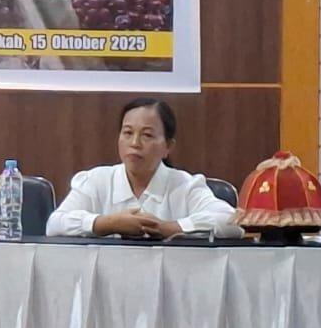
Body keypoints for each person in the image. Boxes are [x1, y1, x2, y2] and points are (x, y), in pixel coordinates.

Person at [46, 97, 235, 239]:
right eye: (127, 133)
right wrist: (108, 223)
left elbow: (231, 221)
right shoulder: (96, 180)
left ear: (168, 147)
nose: (135, 143)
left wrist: (168, 228)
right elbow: (54, 224)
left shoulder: (185, 186)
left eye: (147, 135)